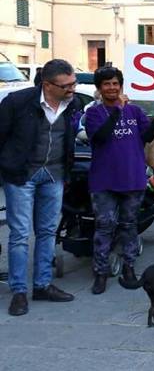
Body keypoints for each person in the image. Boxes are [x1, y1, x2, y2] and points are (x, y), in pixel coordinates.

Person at [0, 59, 83, 316]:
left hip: (55, 174)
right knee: (20, 234)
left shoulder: (74, 104)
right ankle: (19, 292)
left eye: (73, 83)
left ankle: (42, 285)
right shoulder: (17, 102)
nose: (72, 89)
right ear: (47, 85)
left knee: (47, 231)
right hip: (22, 175)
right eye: (66, 85)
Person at [83, 67, 154, 294]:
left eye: (115, 83)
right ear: (99, 89)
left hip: (133, 177)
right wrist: (117, 111)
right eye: (107, 84)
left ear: (121, 85)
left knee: (130, 226)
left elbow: (147, 137)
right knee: (104, 227)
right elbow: (99, 137)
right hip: (104, 180)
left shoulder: (136, 111)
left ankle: (129, 267)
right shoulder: (93, 113)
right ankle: (100, 272)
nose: (112, 88)